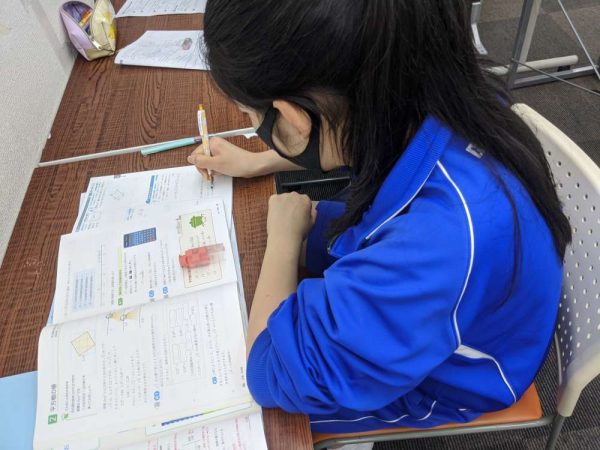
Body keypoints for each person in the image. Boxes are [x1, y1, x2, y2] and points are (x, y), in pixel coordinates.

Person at [187, 0, 571, 447]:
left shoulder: (433, 246)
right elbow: (347, 130)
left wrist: (284, 240)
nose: (255, 128)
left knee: (255, 416)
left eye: (254, 119)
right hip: (466, 291)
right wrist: (261, 163)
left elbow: (267, 370)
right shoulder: (435, 88)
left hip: (458, 379)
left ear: (292, 118)